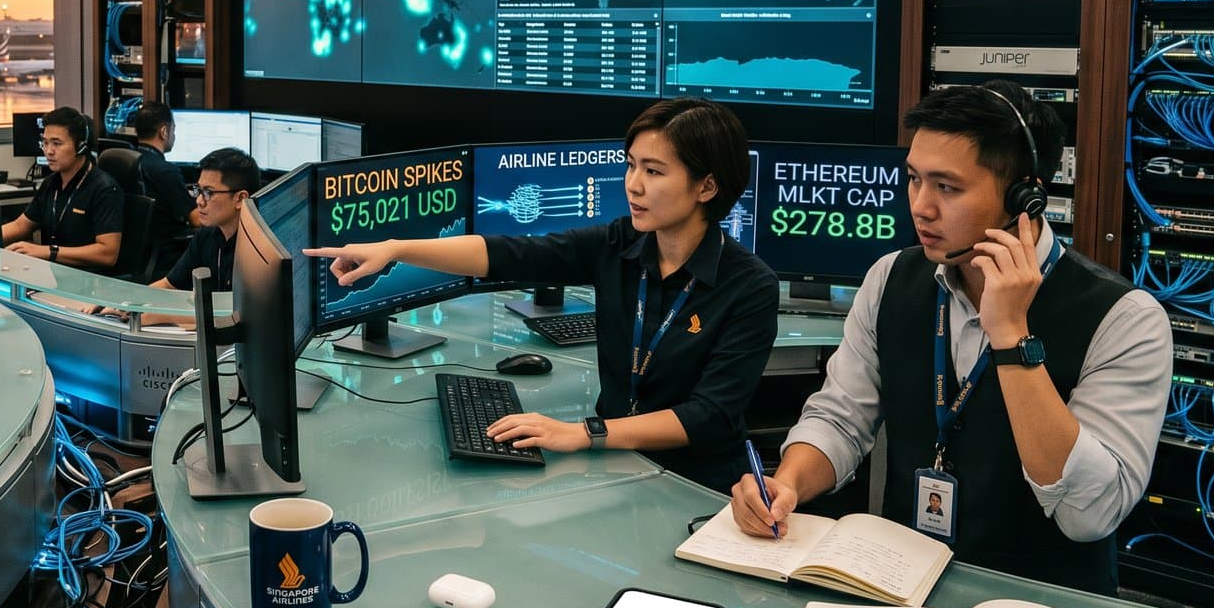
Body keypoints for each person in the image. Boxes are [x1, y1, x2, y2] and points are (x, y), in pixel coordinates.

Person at [728, 81, 1171, 594]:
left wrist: (1011, 337)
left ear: (1024, 198)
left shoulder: (1125, 319)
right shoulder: (891, 277)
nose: (920, 206)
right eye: (914, 179)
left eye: (947, 188)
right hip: (901, 587)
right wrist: (788, 484)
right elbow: (840, 417)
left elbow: (1089, 514)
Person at [308, 98, 780, 490]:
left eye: (654, 172)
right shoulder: (621, 244)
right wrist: (395, 248)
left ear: (707, 186)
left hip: (697, 487)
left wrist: (584, 433)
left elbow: (708, 417)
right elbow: (510, 254)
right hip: (618, 466)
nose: (633, 185)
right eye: (631, 165)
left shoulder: (749, 285)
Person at [109, 147, 260, 327]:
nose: (198, 201)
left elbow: (241, 318)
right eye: (198, 190)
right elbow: (168, 284)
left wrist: (165, 316)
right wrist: (122, 302)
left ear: (240, 198)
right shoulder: (208, 233)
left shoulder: (259, 247)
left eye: (209, 192)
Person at [1, 107, 124, 270]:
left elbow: (107, 253)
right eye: (45, 143)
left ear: (80, 146)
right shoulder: (51, 183)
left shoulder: (104, 189)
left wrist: (49, 252)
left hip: (88, 281)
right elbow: (20, 226)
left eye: (57, 144)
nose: (48, 151)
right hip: (52, 274)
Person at [132, 102, 204, 238]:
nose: (174, 135)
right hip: (167, 250)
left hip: (139, 247)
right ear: (164, 132)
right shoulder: (166, 171)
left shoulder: (130, 161)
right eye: (174, 130)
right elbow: (197, 220)